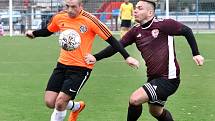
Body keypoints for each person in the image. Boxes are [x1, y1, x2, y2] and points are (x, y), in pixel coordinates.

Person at [84, 0, 205, 121]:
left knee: (135, 99)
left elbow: (187, 31)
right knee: (156, 112)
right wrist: (96, 57)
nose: (135, 10)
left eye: (140, 8)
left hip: (168, 79)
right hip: (154, 78)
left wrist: (196, 54)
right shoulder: (136, 31)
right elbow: (117, 46)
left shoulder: (164, 24)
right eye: (135, 7)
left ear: (150, 12)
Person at [25, 0, 139, 121]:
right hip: (62, 64)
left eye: (73, 7)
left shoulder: (90, 20)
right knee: (49, 102)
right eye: (67, 6)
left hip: (81, 68)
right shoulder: (60, 17)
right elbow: (49, 30)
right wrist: (34, 33)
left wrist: (127, 56)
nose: (69, 10)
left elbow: (112, 40)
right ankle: (77, 107)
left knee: (60, 102)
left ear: (81, 6)